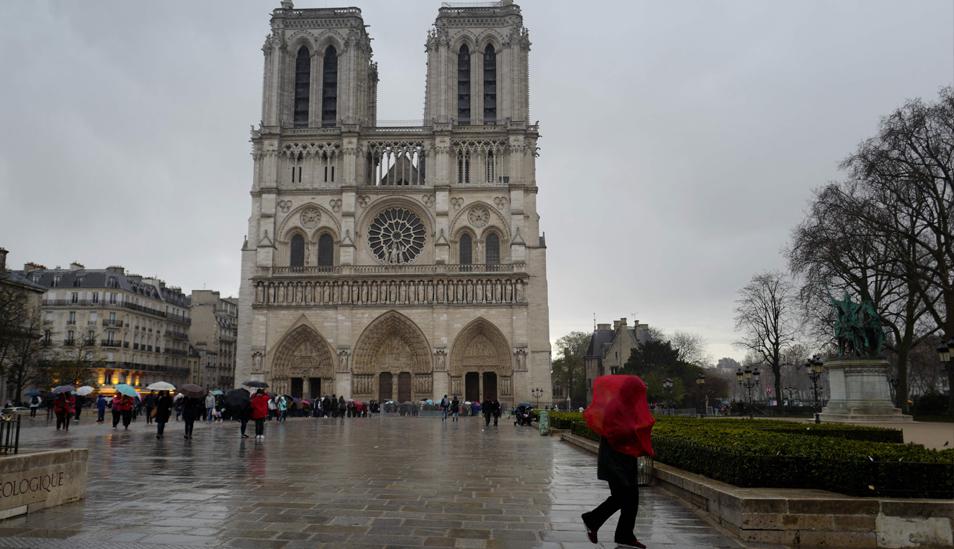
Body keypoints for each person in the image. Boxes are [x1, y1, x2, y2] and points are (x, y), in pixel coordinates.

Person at [581, 375, 654, 548]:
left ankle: (624, 535)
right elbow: (615, 433)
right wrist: (636, 433)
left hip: (624, 459)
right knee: (623, 496)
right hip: (614, 460)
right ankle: (593, 519)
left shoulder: (626, 406)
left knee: (631, 498)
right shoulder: (617, 406)